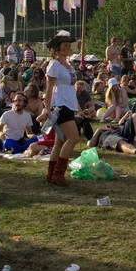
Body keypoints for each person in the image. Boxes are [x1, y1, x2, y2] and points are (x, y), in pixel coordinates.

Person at [41, 32, 82, 186]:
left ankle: (51, 174)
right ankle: (59, 174)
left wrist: (78, 107)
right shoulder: (54, 65)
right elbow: (49, 88)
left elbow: (71, 89)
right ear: (56, 48)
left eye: (68, 44)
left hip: (69, 105)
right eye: (63, 44)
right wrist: (47, 108)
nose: (67, 46)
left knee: (60, 141)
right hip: (60, 105)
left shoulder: (69, 67)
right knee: (73, 138)